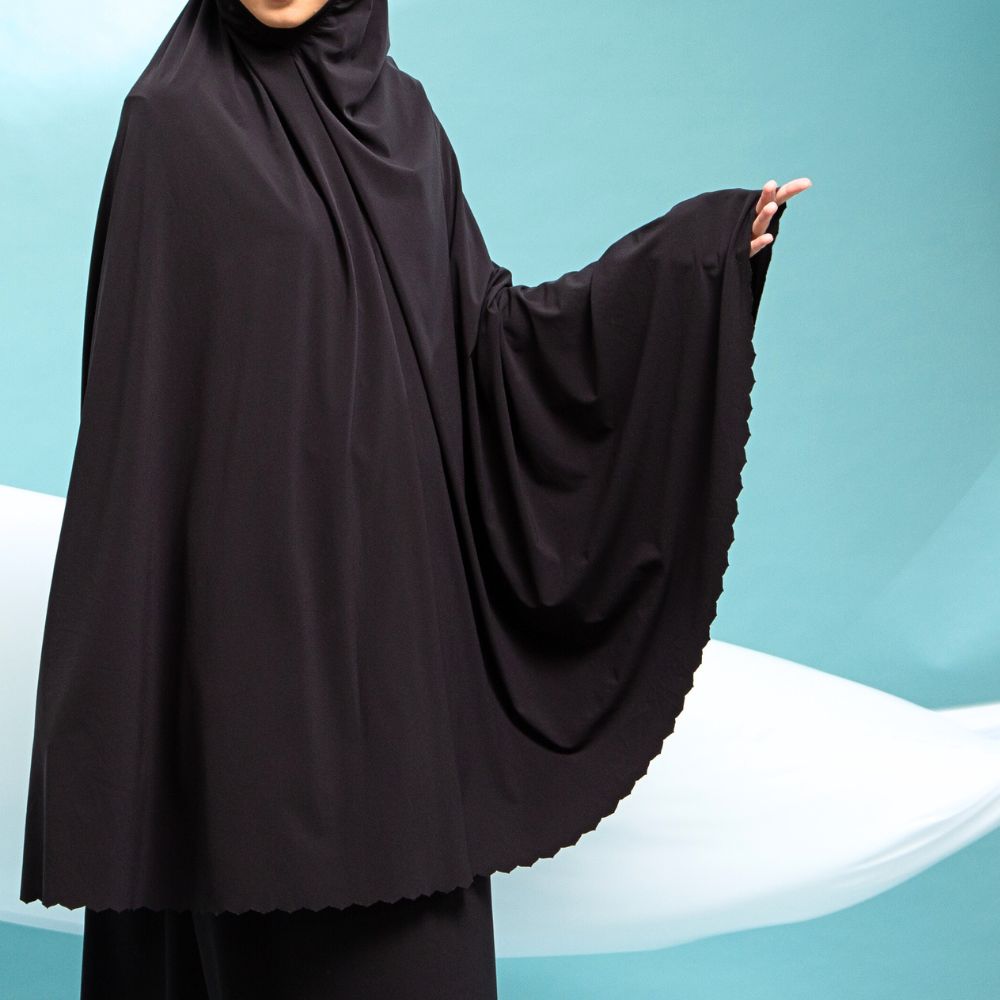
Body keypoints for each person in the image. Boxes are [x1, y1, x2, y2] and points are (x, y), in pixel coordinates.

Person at [19, 0, 809, 996]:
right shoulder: (170, 124)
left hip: (400, 676)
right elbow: (135, 432)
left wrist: (688, 265)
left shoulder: (405, 123)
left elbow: (488, 345)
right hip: (243, 685)